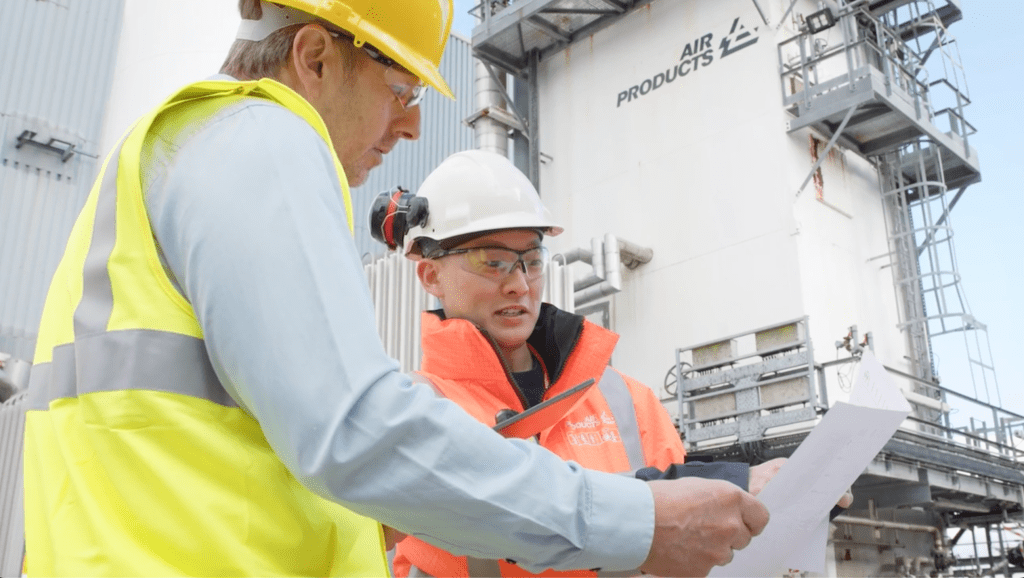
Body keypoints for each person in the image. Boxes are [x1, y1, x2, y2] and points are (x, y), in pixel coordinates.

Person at [22, 1, 772, 576]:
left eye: (528, 259)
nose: (413, 124)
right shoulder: (262, 137)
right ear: (314, 56)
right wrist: (635, 524)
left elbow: (243, 458)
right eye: (399, 86)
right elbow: (357, 432)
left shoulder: (169, 162)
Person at [377, 150, 789, 577]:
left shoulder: (629, 400)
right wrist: (727, 484)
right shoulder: (413, 412)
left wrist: (766, 505)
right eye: (492, 262)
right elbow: (502, 508)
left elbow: (694, 549)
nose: (519, 285)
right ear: (430, 276)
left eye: (532, 262)